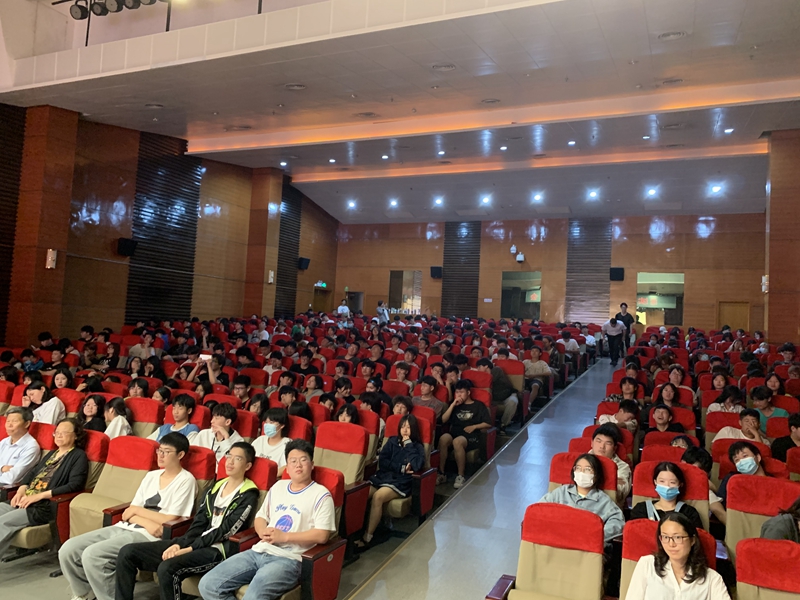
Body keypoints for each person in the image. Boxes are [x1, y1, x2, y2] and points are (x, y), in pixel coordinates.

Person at [115, 442, 260, 600]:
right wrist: (181, 544)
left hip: (218, 550)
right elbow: (199, 522)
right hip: (194, 542)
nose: (230, 462)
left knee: (167, 568)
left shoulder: (248, 494)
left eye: (237, 458)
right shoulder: (214, 488)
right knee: (127, 553)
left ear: (247, 466)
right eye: (229, 456)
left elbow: (225, 530)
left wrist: (189, 548)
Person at [60, 433, 196, 600]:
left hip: (148, 536)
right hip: (128, 526)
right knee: (68, 549)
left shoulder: (186, 480)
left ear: (180, 455)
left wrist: (136, 512)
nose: (160, 455)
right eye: (159, 450)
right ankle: (85, 594)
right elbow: (130, 510)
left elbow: (170, 518)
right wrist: (143, 518)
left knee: (93, 555)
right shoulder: (151, 476)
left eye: (166, 452)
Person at [198, 439, 336, 600]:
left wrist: (284, 537)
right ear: (287, 467)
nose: (298, 465)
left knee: (253, 597)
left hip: (289, 559)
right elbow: (261, 517)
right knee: (208, 585)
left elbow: (322, 535)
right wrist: (262, 531)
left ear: (311, 465)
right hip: (259, 551)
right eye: (293, 461)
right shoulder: (278, 487)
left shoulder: (321, 494)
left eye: (303, 460)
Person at [0, 418, 88, 557]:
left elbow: (75, 485)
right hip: (26, 499)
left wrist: (40, 495)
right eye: (57, 432)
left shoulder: (78, 456)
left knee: (3, 523)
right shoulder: (52, 454)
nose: (59, 435)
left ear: (76, 435)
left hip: (43, 506)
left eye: (64, 432)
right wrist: (21, 489)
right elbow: (32, 473)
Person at [354, 414, 425, 551]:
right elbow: (383, 461)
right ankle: (353, 534)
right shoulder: (392, 441)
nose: (405, 430)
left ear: (414, 429)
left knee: (378, 496)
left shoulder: (417, 446)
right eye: (403, 427)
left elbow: (417, 465)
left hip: (401, 481)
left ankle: (367, 537)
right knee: (360, 493)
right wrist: (401, 468)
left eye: (408, 427)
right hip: (383, 476)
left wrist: (408, 445)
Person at [626, 513, 730, 600]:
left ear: (692, 540)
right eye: (665, 537)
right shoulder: (647, 565)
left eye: (677, 537)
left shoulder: (712, 578)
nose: (671, 544)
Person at [537, 453, 624, 543]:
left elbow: (618, 522)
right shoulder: (561, 492)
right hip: (557, 541)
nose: (582, 473)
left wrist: (597, 536)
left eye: (587, 469)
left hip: (586, 545)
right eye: (578, 468)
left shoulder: (603, 501)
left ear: (596, 475)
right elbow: (538, 510)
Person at [436, 380, 491, 489]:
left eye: (461, 392)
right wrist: (452, 405)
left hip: (471, 435)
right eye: (457, 392)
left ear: (468, 393)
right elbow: (443, 420)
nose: (459, 395)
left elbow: (488, 423)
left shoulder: (478, 405)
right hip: (455, 432)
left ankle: (460, 476)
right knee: (443, 438)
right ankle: (441, 473)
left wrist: (474, 426)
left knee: (457, 442)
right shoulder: (455, 405)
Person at [629, 462, 703, 530]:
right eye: (662, 481)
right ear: (655, 482)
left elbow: (697, 537)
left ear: (680, 484)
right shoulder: (641, 509)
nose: (667, 486)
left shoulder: (689, 512)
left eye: (672, 482)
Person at [716, 441, 771, 505]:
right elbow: (720, 503)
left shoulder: (773, 482)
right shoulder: (731, 480)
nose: (742, 461)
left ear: (758, 457)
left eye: (745, 456)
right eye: (737, 460)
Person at [681, 446, 726, 525]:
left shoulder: (705, 492)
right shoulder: (667, 482)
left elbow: (721, 514)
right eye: (683, 466)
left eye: (692, 469)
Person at [589, 424, 631, 505]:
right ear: (592, 443)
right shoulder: (580, 460)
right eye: (598, 441)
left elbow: (619, 491)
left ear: (614, 448)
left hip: (608, 506)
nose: (602, 446)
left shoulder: (623, 467)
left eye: (608, 443)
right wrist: (610, 481)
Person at [0, 407, 41, 486]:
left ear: (27, 424)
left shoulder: (31, 447)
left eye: (14, 421)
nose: (9, 425)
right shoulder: (4, 441)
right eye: (8, 421)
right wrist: (2, 468)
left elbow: (11, 479)